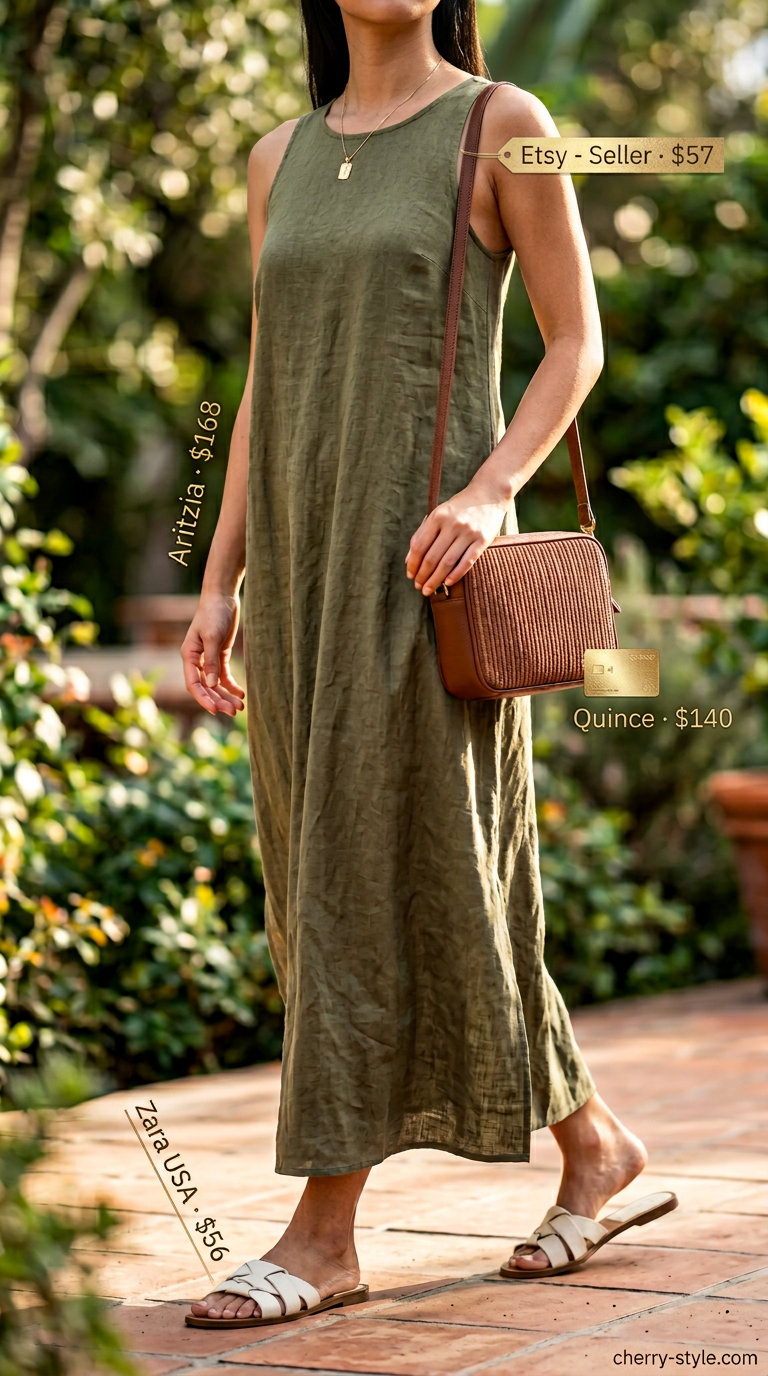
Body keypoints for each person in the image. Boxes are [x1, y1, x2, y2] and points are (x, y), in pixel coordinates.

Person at [180, 0, 677, 1333]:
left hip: (424, 569)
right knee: (362, 874)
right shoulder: (275, 155)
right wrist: (218, 576)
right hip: (295, 575)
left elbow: (578, 340)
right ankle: (596, 1149)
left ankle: (326, 1232)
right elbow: (263, 376)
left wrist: (493, 491)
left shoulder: (504, 125)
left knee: (386, 859)